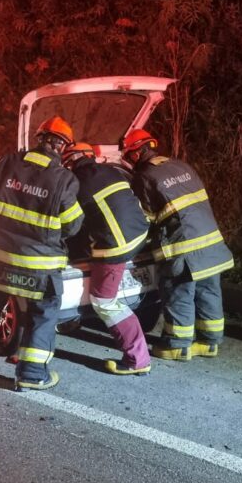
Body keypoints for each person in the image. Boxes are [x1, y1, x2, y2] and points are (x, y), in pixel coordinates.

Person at [0, 116, 83, 391]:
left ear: (39, 139)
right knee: (43, 312)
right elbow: (73, 225)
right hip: (38, 265)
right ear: (62, 147)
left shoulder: (7, 162)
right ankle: (32, 374)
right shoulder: (64, 179)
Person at [121, 129, 234, 362]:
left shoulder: (144, 177)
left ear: (134, 155)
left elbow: (145, 218)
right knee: (208, 290)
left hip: (183, 246)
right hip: (210, 240)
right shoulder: (181, 166)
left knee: (178, 291)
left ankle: (178, 345)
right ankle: (209, 342)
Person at [62, 142, 151, 375]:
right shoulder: (111, 170)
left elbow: (73, 226)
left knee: (104, 301)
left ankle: (137, 358)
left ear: (70, 161)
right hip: (141, 234)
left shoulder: (75, 183)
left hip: (115, 246)